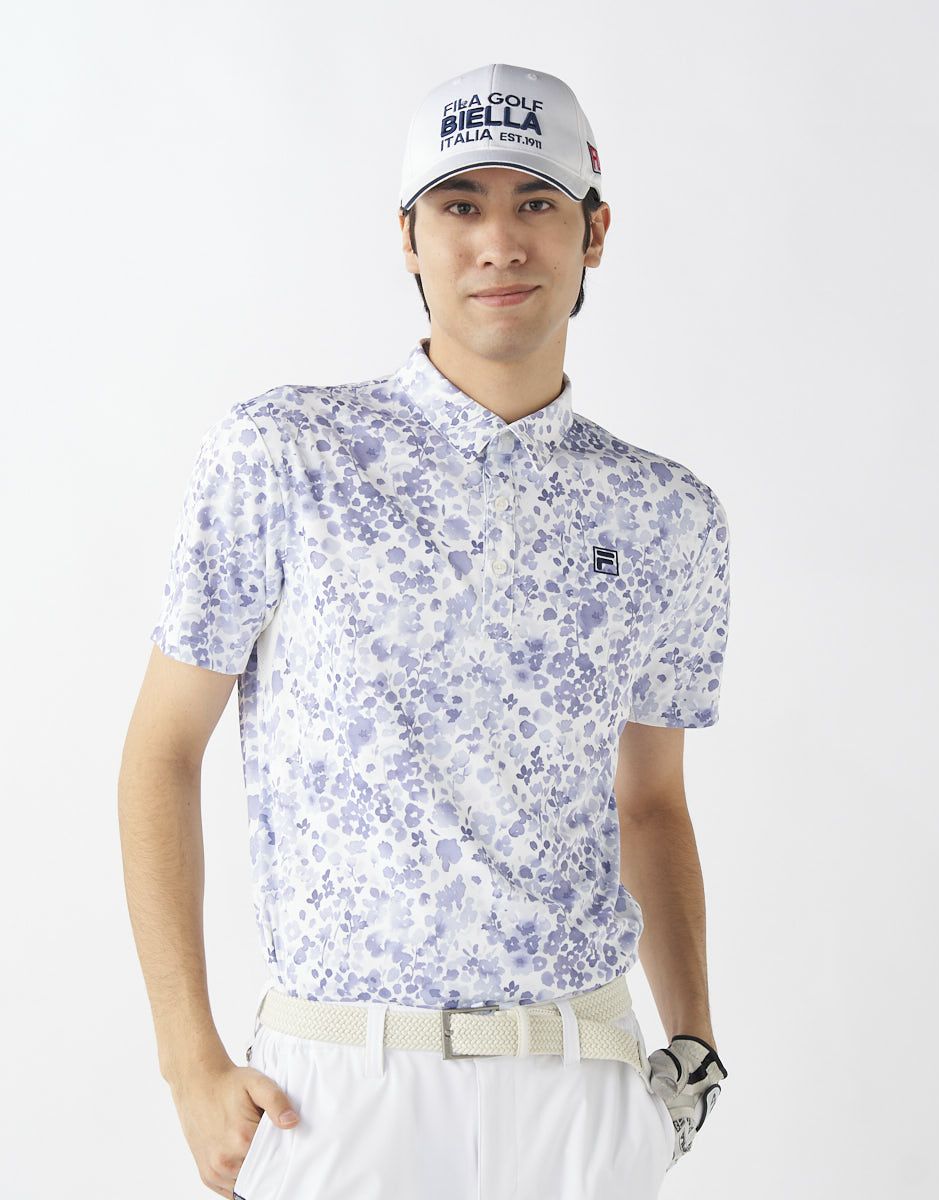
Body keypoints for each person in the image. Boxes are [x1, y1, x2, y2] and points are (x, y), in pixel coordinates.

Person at [118, 62, 731, 1200]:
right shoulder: (285, 455)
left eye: (537, 202)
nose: (499, 242)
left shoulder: (664, 515)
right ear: (408, 237)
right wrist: (187, 1062)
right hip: (338, 1089)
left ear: (594, 234)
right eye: (460, 205)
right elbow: (162, 750)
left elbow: (651, 799)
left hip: (579, 1089)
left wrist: (691, 1050)